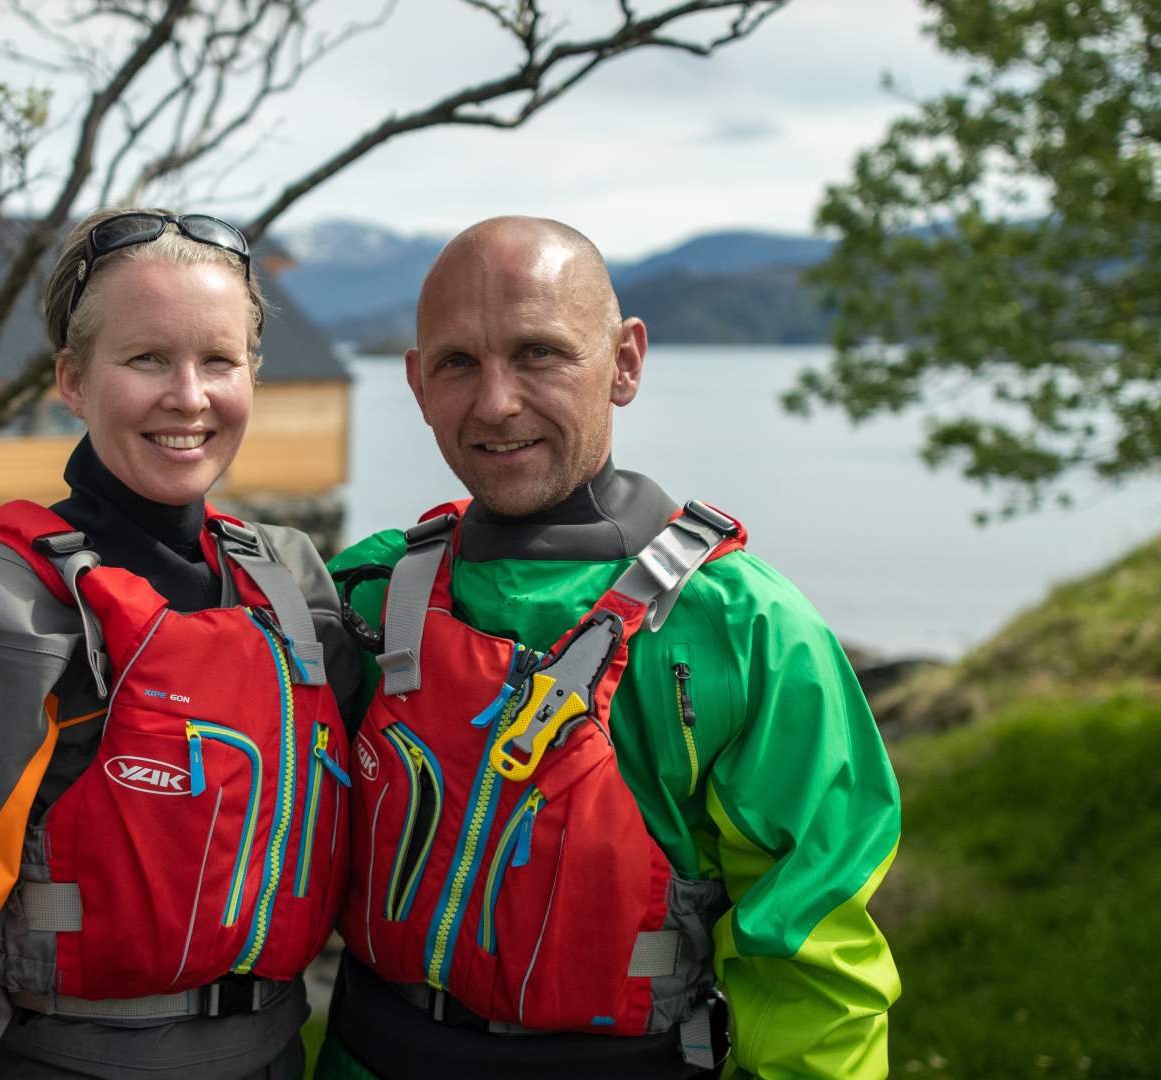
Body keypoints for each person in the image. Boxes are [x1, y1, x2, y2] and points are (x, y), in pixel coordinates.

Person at [316, 217, 901, 1079]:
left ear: (625, 362)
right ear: (416, 382)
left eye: (540, 353)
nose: (496, 402)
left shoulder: (746, 630)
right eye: (457, 363)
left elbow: (814, 949)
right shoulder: (365, 596)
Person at [0, 208, 361, 1079]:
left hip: (274, 1051)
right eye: (148, 358)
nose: (188, 396)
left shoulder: (293, 584)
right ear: (72, 380)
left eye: (218, 360)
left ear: (251, 374)